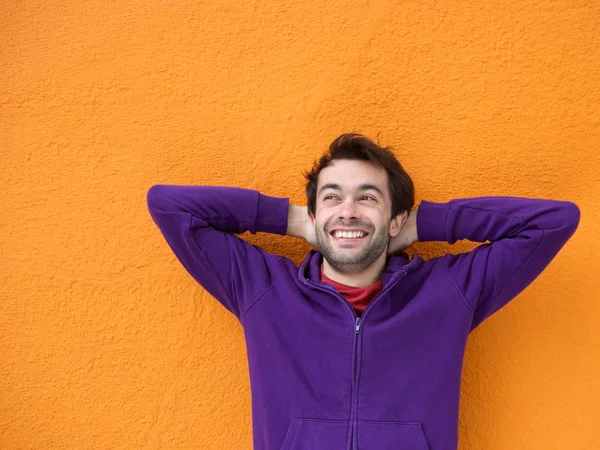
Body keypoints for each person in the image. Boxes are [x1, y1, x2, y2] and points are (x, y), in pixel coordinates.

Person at [146, 132, 580, 450]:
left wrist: (424, 225)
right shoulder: (262, 290)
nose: (348, 212)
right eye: (332, 198)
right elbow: (168, 205)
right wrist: (295, 221)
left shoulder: (449, 294)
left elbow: (553, 221)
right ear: (315, 215)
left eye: (368, 198)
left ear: (396, 220)